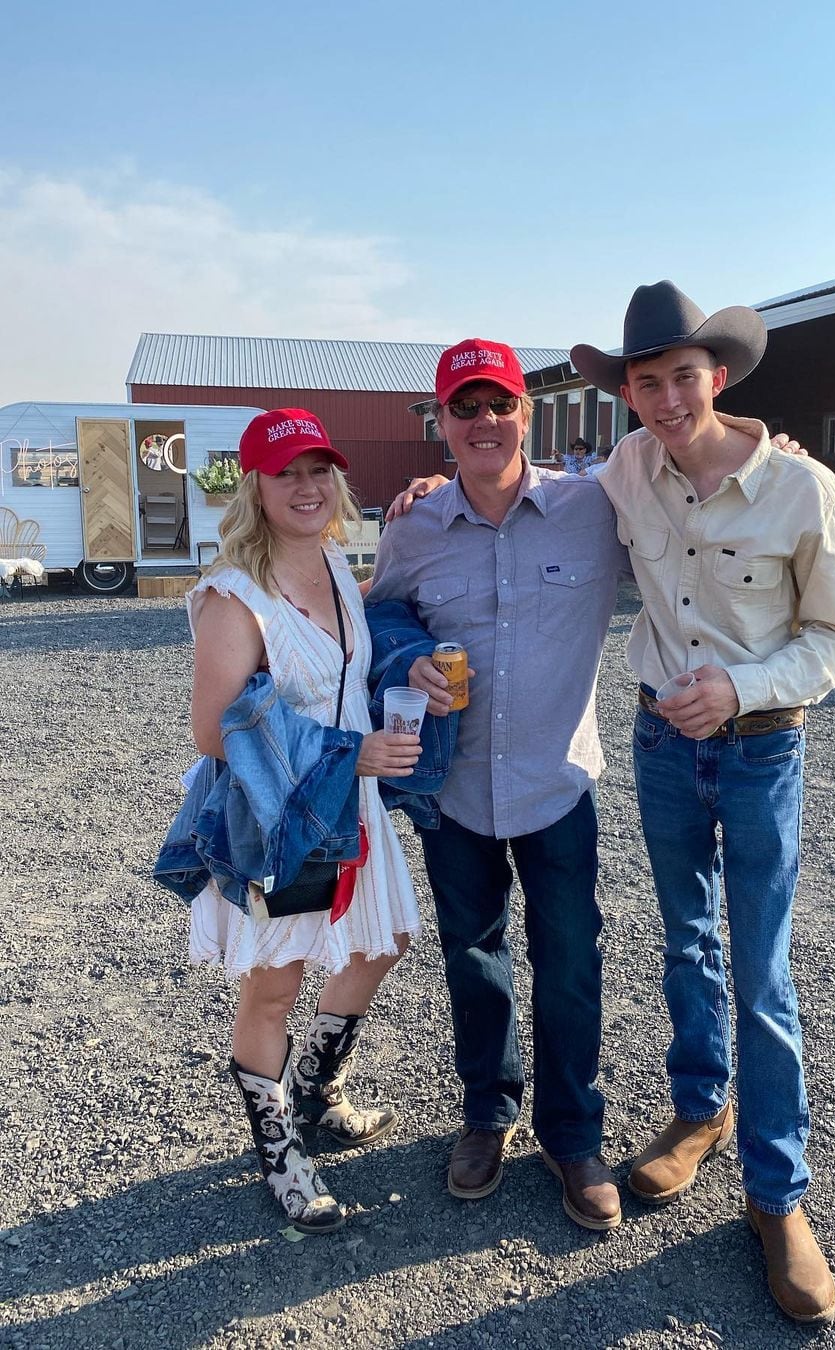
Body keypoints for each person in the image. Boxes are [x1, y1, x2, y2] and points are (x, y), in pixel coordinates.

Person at [570, 281, 835, 1326]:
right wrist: (437, 488)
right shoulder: (626, 469)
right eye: (645, 382)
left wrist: (741, 687)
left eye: (681, 378)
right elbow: (548, 507)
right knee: (684, 944)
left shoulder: (802, 486)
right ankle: (699, 1112)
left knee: (763, 971)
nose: (663, 399)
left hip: (758, 750)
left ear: (720, 376)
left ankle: (777, 1196)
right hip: (659, 743)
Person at [366, 340, 630, 1232]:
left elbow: (691, 510)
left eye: (499, 404)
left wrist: (767, 453)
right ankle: (487, 1112)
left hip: (555, 783)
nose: (484, 422)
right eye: (465, 407)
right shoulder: (412, 528)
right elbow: (378, 620)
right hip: (455, 793)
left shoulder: (594, 509)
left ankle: (573, 1133)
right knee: (472, 958)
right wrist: (406, 661)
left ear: (528, 412)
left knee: (568, 963)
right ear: (442, 423)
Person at [186, 408, 423, 1233]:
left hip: (348, 809)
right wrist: (347, 754)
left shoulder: (334, 566)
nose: (306, 486)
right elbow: (213, 730)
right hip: (278, 817)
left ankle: (316, 1093)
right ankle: (279, 1147)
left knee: (382, 942)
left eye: (319, 470)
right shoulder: (234, 596)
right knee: (276, 984)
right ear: (253, 484)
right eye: (285, 472)